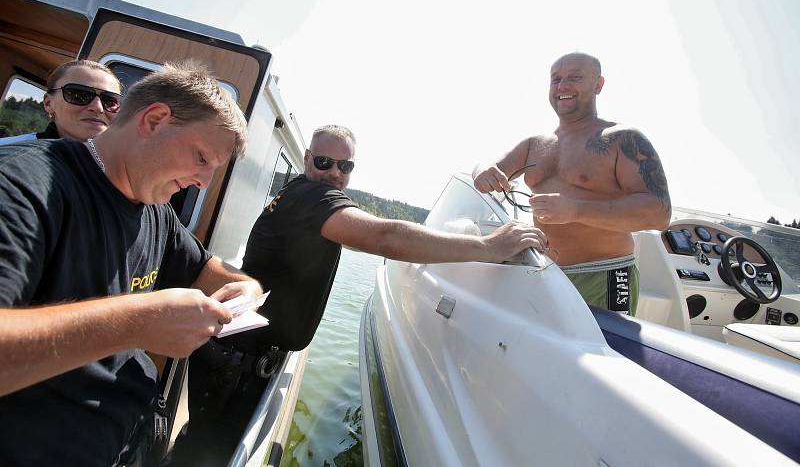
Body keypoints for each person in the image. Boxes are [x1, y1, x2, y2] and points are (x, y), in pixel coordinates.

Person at [167, 124, 547, 466]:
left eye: (345, 167)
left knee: (200, 447)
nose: (335, 173)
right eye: (325, 161)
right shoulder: (314, 198)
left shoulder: (298, 192)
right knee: (205, 457)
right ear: (306, 159)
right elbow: (384, 236)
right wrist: (486, 247)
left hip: (238, 353)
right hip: (239, 363)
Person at [0, 62, 262, 466]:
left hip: (129, 438)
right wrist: (138, 322)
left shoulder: (155, 209)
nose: (203, 182)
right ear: (154, 120)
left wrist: (246, 289)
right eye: (201, 157)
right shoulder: (25, 183)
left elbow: (208, 269)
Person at [473, 52, 671, 315]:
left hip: (606, 276)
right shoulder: (535, 144)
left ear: (598, 84)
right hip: (547, 272)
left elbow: (659, 213)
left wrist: (575, 210)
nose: (562, 86)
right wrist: (482, 171)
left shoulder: (623, 139)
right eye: (556, 79)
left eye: (575, 78)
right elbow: (489, 168)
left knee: (602, 355)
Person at [0, 59, 123, 145]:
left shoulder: (123, 173)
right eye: (78, 95)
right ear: (48, 103)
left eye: (110, 101)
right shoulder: (8, 154)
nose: (98, 107)